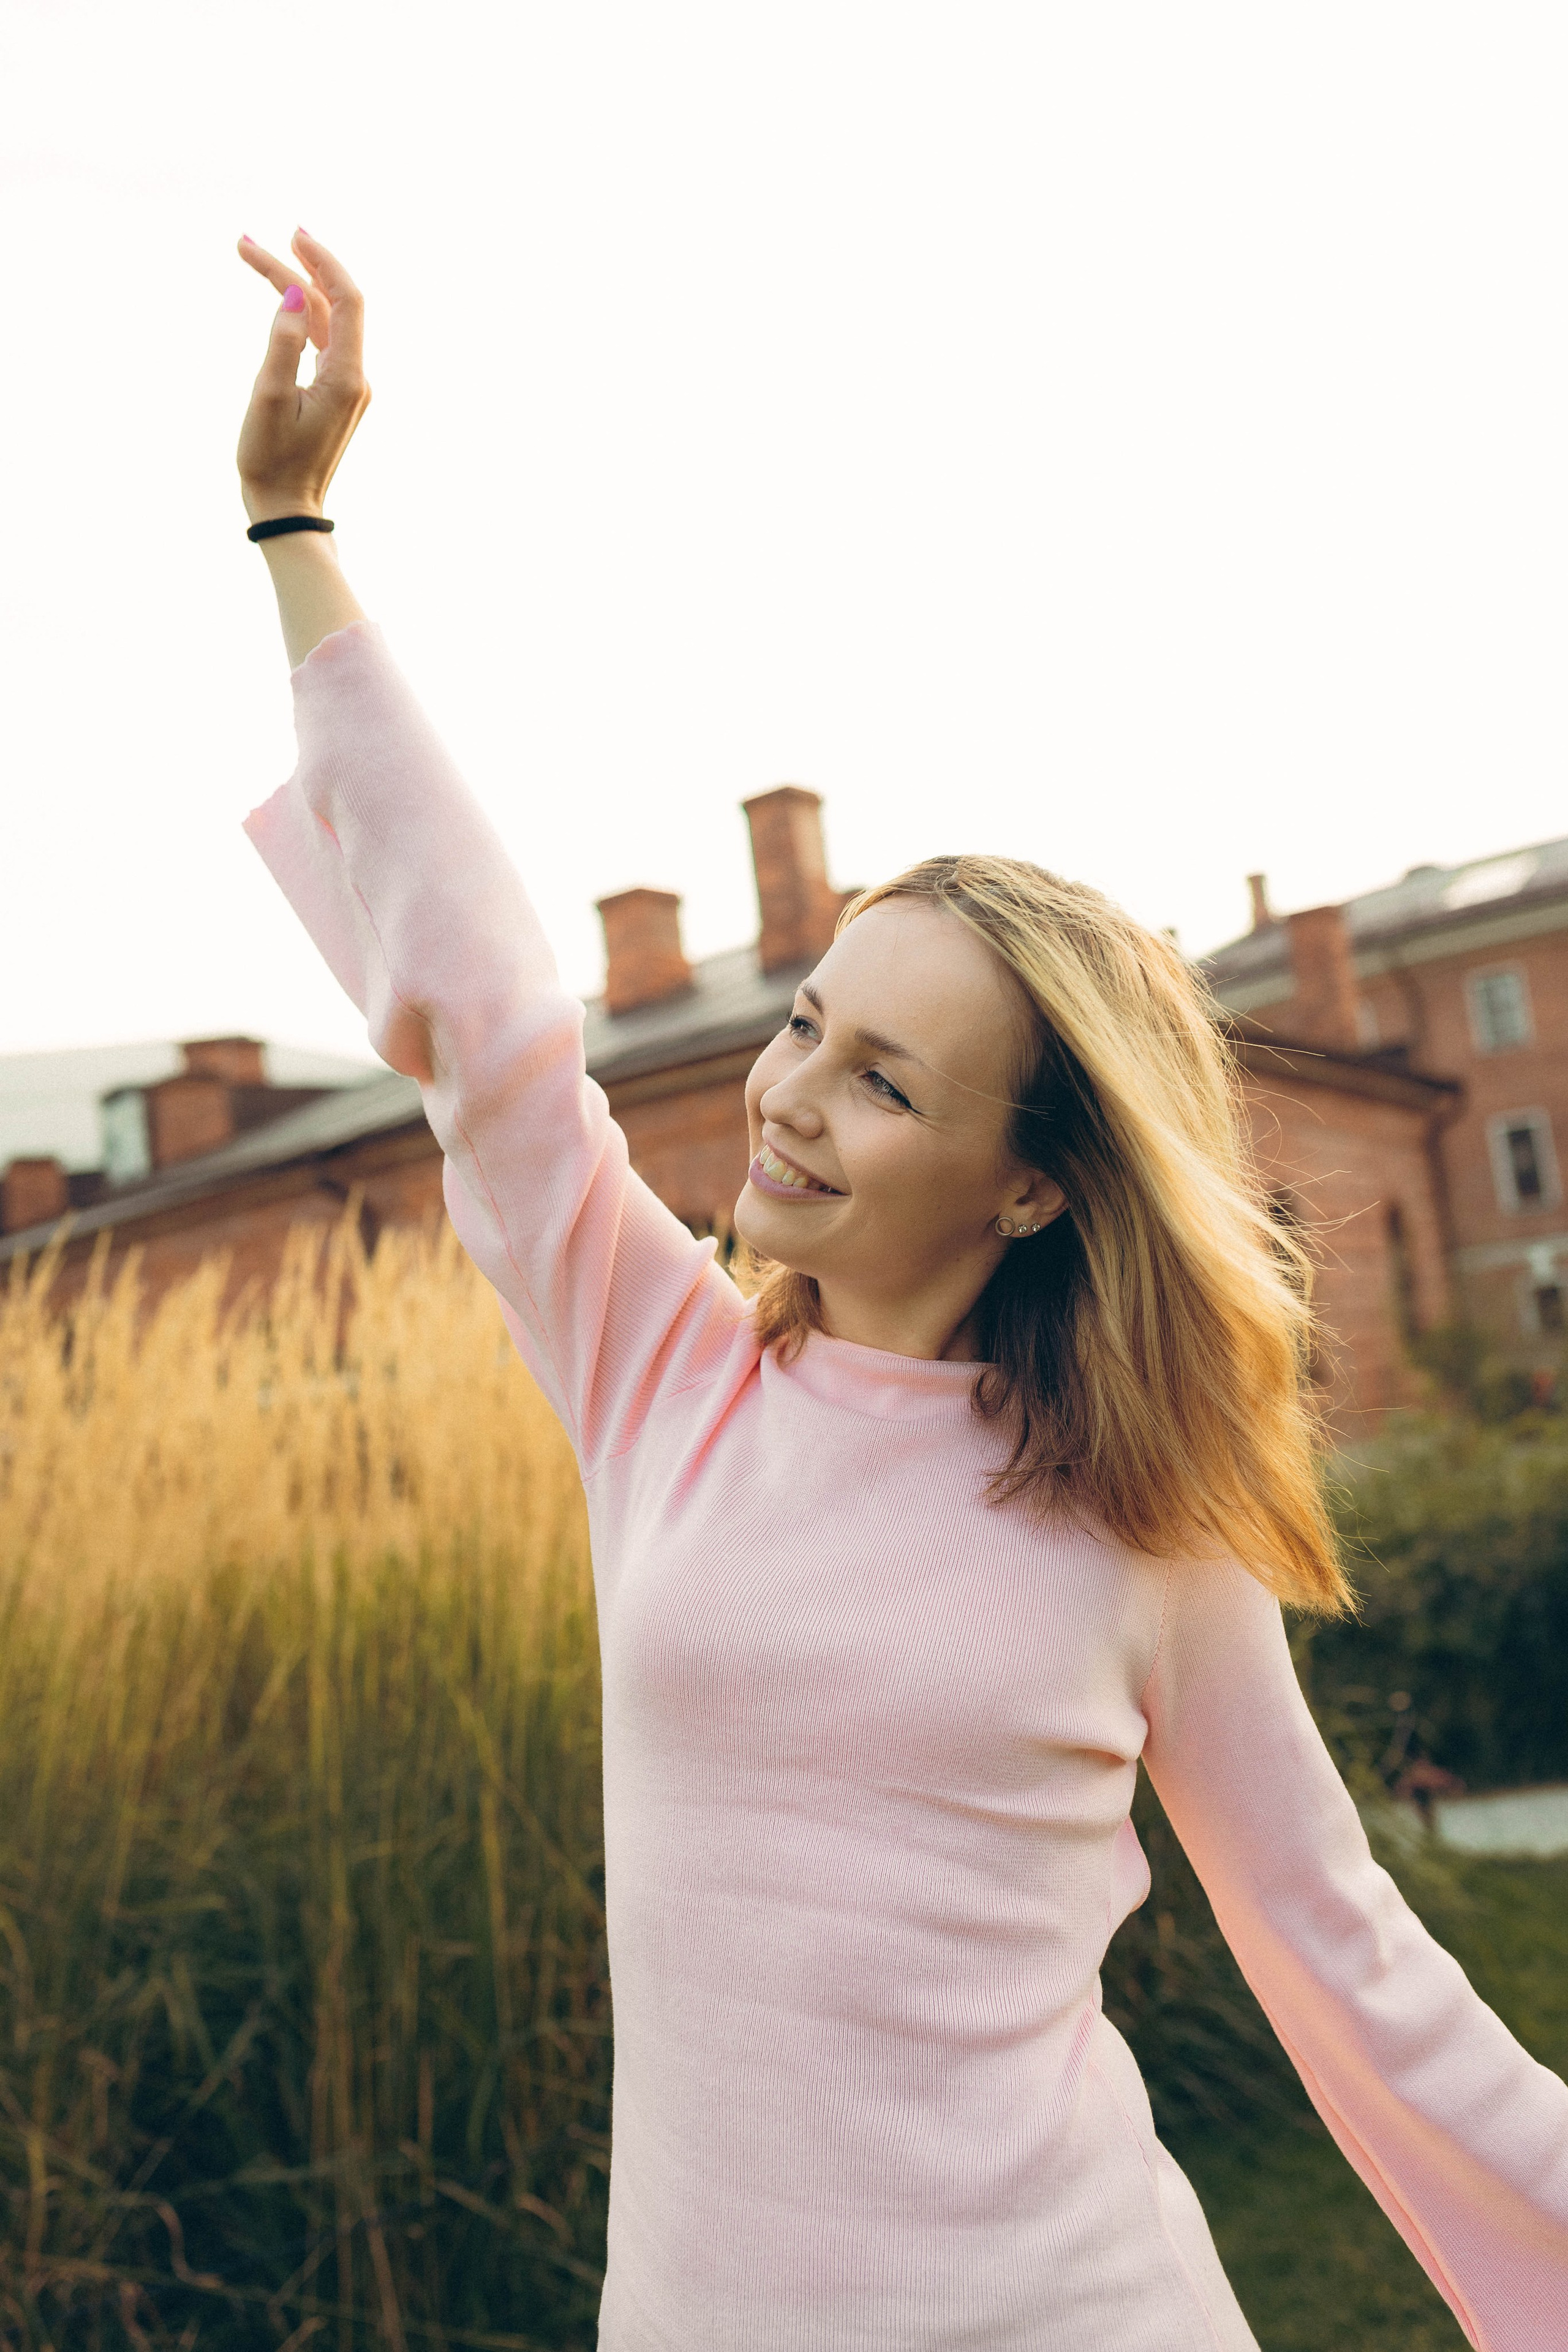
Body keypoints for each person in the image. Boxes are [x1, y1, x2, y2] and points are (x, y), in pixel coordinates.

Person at [235, 229, 1568, 2352]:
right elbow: (488, 1028)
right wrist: (297, 531)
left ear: (1034, 1185)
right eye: (805, 1029)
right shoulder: (661, 1371)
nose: (785, 1101)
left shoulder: (1149, 1527)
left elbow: (1346, 1949)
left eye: (879, 1078)